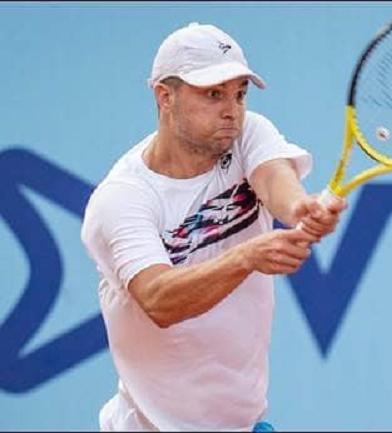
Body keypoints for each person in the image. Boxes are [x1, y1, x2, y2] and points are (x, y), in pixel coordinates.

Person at [81, 22, 346, 431]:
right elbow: (159, 300)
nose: (232, 110)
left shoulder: (247, 134)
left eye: (240, 94)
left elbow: (274, 180)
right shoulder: (122, 199)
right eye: (213, 94)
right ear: (164, 96)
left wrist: (300, 208)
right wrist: (245, 257)